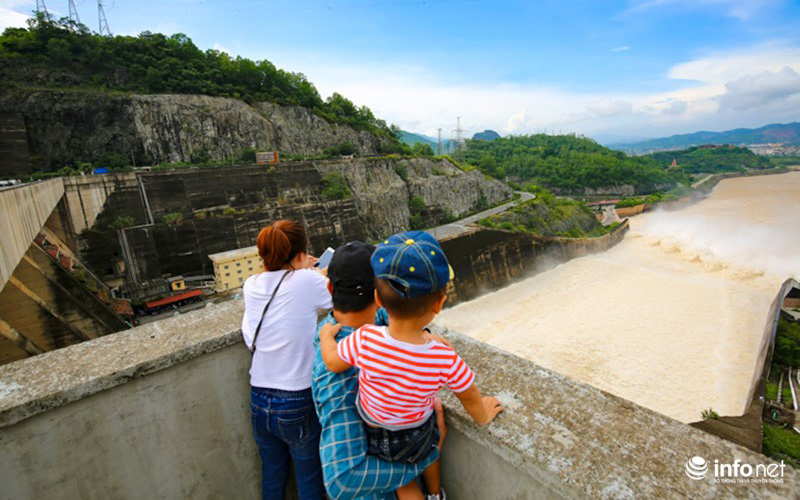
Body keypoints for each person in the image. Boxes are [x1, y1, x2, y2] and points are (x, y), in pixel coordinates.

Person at [319, 231, 504, 500]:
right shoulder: (443, 356)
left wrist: (325, 336)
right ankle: (434, 494)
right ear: (440, 303)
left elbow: (333, 363)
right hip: (417, 437)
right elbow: (468, 394)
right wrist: (484, 415)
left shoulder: (365, 339)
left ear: (378, 300)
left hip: (373, 435)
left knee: (404, 483)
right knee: (431, 425)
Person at [311, 241, 445, 500]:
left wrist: (424, 334)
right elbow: (342, 480)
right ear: (380, 296)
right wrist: (428, 455)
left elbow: (389, 321)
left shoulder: (334, 330)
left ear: (330, 288)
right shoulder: (341, 373)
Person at [242, 219, 331, 500]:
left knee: (273, 471)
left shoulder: (250, 284)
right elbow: (333, 300)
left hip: (259, 398)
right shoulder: (308, 280)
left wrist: (304, 269)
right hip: (297, 399)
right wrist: (315, 272)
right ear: (301, 254)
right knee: (308, 477)